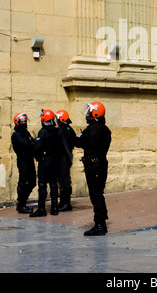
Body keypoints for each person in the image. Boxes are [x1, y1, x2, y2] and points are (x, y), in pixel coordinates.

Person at [74, 101, 111, 236]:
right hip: (101, 164)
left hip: (93, 165)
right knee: (99, 194)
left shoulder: (92, 129)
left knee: (95, 195)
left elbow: (79, 142)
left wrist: (76, 136)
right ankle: (102, 222)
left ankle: (99, 224)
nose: (88, 115)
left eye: (90, 112)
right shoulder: (104, 129)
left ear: (95, 113)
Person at [30, 109, 61, 217]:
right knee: (53, 185)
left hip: (45, 161)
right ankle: (55, 208)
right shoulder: (57, 131)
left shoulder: (43, 132)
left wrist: (36, 153)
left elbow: (37, 147)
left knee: (42, 185)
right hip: (55, 161)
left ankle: (41, 209)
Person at [11, 113, 36, 214]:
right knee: (23, 182)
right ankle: (21, 205)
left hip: (29, 160)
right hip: (23, 161)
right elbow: (25, 145)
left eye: (25, 121)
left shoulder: (25, 132)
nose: (24, 123)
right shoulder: (16, 134)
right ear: (17, 122)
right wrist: (32, 144)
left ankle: (22, 201)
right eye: (22, 121)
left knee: (32, 182)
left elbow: (31, 142)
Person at [55, 110, 76, 212]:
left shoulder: (65, 130)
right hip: (64, 158)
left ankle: (66, 203)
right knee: (63, 180)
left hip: (63, 159)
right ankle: (63, 202)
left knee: (64, 181)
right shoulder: (67, 129)